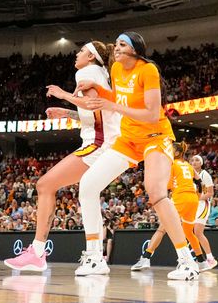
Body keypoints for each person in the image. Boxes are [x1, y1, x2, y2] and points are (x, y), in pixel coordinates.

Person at [76, 32, 199, 280]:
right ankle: (95, 257)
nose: (117, 48)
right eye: (116, 44)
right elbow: (119, 98)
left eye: (122, 44)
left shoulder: (147, 70)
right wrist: (99, 90)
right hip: (128, 140)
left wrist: (112, 106)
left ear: (135, 50)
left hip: (156, 137)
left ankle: (187, 262)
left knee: (155, 192)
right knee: (87, 186)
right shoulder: (117, 69)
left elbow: (152, 114)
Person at [4, 41, 120, 274]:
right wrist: (67, 113)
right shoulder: (101, 73)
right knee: (89, 194)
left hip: (98, 145)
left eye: (81, 51)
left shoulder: (86, 72)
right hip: (108, 143)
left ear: (91, 56)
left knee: (45, 184)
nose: (76, 54)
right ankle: (94, 255)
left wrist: (62, 95)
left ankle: (38, 252)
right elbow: (96, 114)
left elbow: (92, 104)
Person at [131, 144, 206, 271]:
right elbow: (200, 183)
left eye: (171, 150)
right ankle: (202, 261)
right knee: (188, 232)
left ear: (176, 153)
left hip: (180, 198)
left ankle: (146, 258)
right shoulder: (188, 165)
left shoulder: (172, 165)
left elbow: (167, 185)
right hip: (193, 200)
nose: (169, 152)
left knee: (162, 229)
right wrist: (198, 196)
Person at [191, 154, 217, 270]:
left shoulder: (204, 174)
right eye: (192, 160)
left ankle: (210, 258)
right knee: (190, 232)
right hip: (193, 205)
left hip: (203, 204)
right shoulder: (189, 175)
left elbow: (210, 193)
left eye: (197, 160)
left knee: (198, 232)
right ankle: (198, 258)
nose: (194, 162)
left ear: (201, 163)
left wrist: (197, 198)